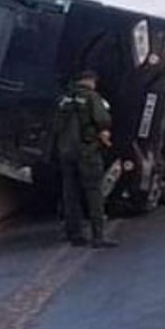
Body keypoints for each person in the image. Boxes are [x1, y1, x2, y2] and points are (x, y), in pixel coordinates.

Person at [53, 70, 117, 248]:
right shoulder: (92, 97)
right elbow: (103, 120)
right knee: (94, 193)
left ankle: (74, 235)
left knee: (70, 194)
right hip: (87, 152)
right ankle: (98, 237)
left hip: (66, 152)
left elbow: (55, 125)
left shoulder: (63, 99)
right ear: (90, 81)